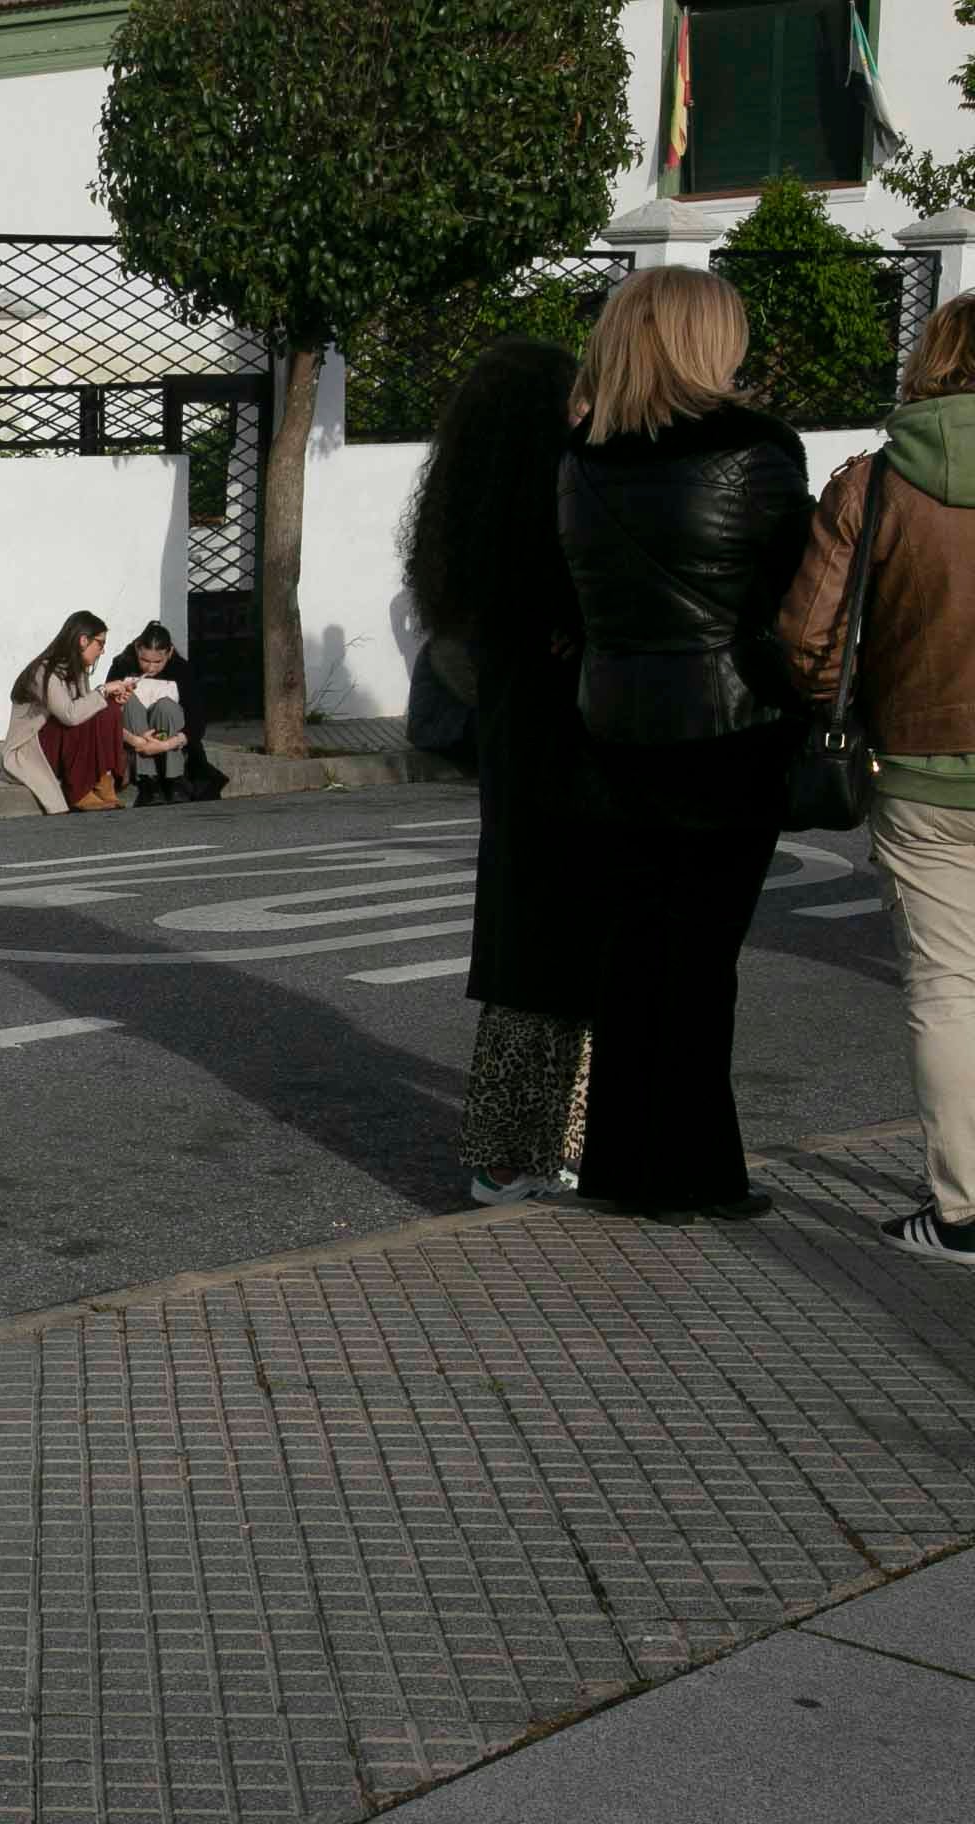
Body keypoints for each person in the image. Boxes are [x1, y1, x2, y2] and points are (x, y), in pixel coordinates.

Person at [558, 266, 811, 1222]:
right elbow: (798, 596)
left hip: (613, 719)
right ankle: (702, 1170)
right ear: (708, 342)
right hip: (730, 724)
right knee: (705, 957)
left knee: (634, 948)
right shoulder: (758, 447)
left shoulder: (581, 455)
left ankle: (627, 1166)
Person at [777, 293, 975, 1263]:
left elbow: (809, 640)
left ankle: (966, 1212)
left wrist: (857, 709)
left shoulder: (875, 484)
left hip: (921, 771)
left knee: (947, 990)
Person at [403, 340, 599, 1206]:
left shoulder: (463, 507)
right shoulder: (561, 492)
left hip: (511, 744)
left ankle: (503, 1152)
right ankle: (549, 1144)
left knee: (520, 937)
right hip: (573, 736)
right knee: (570, 949)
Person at [2, 612, 138, 813]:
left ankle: (103, 779)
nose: (102, 651)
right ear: (83, 640)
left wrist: (111, 700)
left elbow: (89, 709)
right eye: (100, 644)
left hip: (61, 743)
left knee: (108, 709)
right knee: (80, 716)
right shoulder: (44, 670)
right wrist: (103, 691)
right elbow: (70, 714)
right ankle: (79, 791)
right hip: (31, 747)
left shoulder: (77, 669)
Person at [101, 621, 215, 805]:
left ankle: (175, 779)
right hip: (135, 736)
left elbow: (197, 721)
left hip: (169, 739)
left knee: (166, 706)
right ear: (138, 649)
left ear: (169, 653)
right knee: (130, 701)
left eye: (157, 662)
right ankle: (148, 780)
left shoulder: (181, 670)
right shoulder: (123, 665)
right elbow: (108, 712)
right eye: (145, 661)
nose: (151, 668)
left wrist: (165, 745)